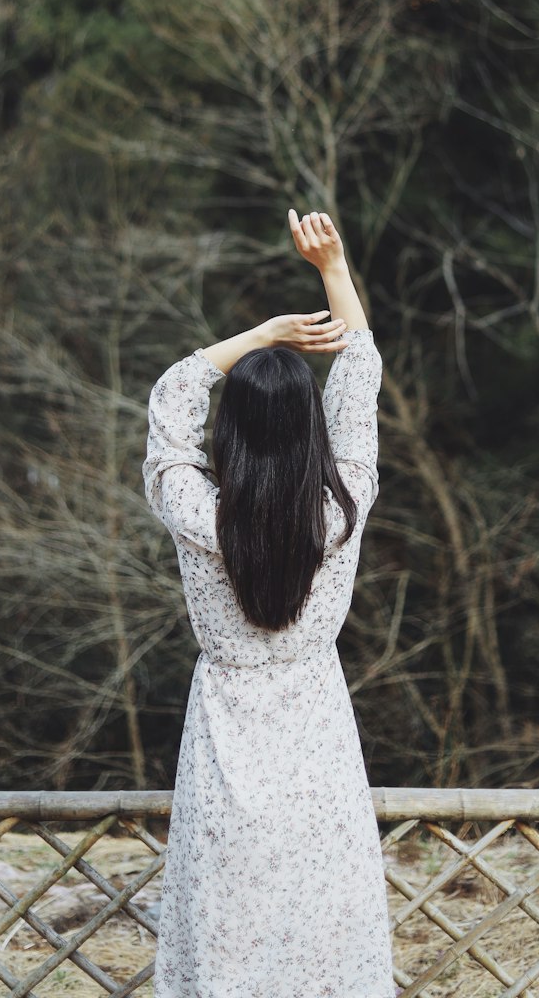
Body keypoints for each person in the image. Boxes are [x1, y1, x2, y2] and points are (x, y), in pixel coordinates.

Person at [143, 207, 396, 998]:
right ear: (310, 433)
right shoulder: (341, 509)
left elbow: (170, 404)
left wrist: (257, 338)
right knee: (325, 927)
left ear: (234, 435)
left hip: (225, 739)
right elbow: (359, 374)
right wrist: (334, 269)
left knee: (227, 919)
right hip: (316, 733)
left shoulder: (197, 514)